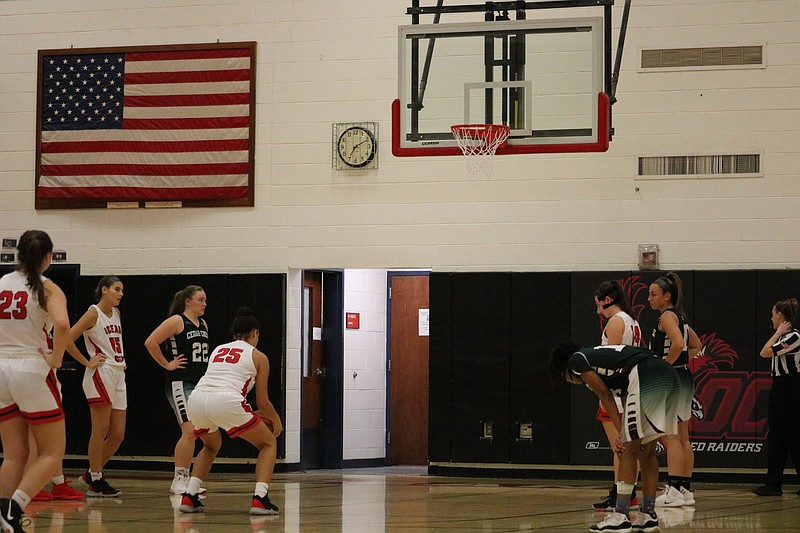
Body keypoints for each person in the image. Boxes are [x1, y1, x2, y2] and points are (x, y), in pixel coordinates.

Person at [551, 341, 679, 533]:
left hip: (646, 374)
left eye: (564, 377)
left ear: (564, 368)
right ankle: (648, 516)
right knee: (647, 452)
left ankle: (620, 515)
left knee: (628, 449)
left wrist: (622, 433)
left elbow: (606, 397)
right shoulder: (603, 360)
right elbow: (624, 395)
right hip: (667, 375)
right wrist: (625, 432)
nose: (568, 381)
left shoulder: (576, 361)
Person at [178, 307, 282, 516]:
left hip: (197, 399)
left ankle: (190, 495)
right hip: (227, 401)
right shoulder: (259, 356)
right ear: (255, 333)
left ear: (234, 334)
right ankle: (260, 498)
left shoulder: (218, 349)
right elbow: (263, 402)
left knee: (211, 445)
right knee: (268, 443)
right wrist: (276, 421)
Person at [0, 230, 70, 533]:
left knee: (14, 453)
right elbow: (63, 324)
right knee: (52, 452)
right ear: (47, 257)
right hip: (31, 368)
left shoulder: (2, 283)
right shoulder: (47, 288)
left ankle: (3, 516)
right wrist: (56, 360)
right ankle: (14, 507)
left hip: (1, 369)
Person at [144, 285, 209, 495]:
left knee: (198, 432)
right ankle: (179, 478)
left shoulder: (204, 324)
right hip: (180, 383)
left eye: (205, 300)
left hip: (199, 383)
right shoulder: (177, 321)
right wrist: (167, 364)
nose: (204, 304)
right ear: (187, 302)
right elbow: (151, 342)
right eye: (200, 300)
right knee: (189, 431)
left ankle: (188, 479)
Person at [66, 276, 126, 498]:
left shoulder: (116, 314)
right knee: (100, 430)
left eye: (122, 290)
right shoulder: (93, 313)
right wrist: (86, 362)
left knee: (118, 434)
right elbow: (66, 337)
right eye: (117, 289)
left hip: (119, 372)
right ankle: (96, 480)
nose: (121, 294)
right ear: (104, 290)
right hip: (101, 373)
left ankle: (92, 472)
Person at [647, 272, 701, 508]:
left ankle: (674, 490)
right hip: (684, 377)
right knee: (683, 436)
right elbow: (696, 345)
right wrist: (679, 362)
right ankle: (685, 490)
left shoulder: (667, 317)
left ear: (666, 296)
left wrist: (665, 365)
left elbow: (679, 344)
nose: (649, 298)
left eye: (653, 294)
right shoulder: (680, 317)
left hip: (671, 379)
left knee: (671, 437)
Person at [592, 280, 643, 512]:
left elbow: (610, 362)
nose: (598, 311)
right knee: (631, 449)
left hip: (616, 392)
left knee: (620, 448)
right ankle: (628, 494)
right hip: (632, 389)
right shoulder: (632, 320)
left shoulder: (615, 321)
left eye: (599, 305)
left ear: (607, 300)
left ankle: (621, 495)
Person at [752, 298, 800, 497]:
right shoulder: (781, 337)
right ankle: (773, 484)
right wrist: (778, 333)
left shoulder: (794, 337)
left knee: (794, 436)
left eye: (773, 315)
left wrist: (778, 332)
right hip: (778, 388)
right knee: (776, 438)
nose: (771, 318)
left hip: (792, 389)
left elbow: (764, 352)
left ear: (780, 316)